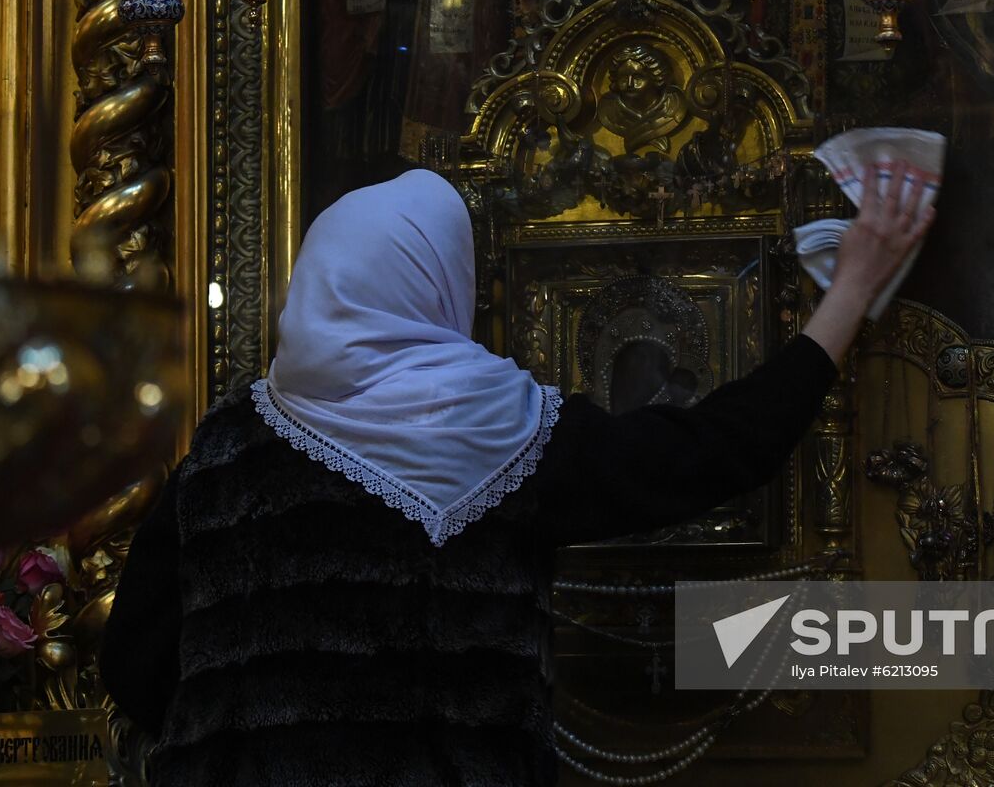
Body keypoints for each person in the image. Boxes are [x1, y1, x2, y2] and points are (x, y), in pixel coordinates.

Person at [99, 166, 934, 786]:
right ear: (439, 280)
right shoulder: (507, 436)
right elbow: (720, 449)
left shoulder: (222, 452)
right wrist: (850, 289)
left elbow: (135, 666)